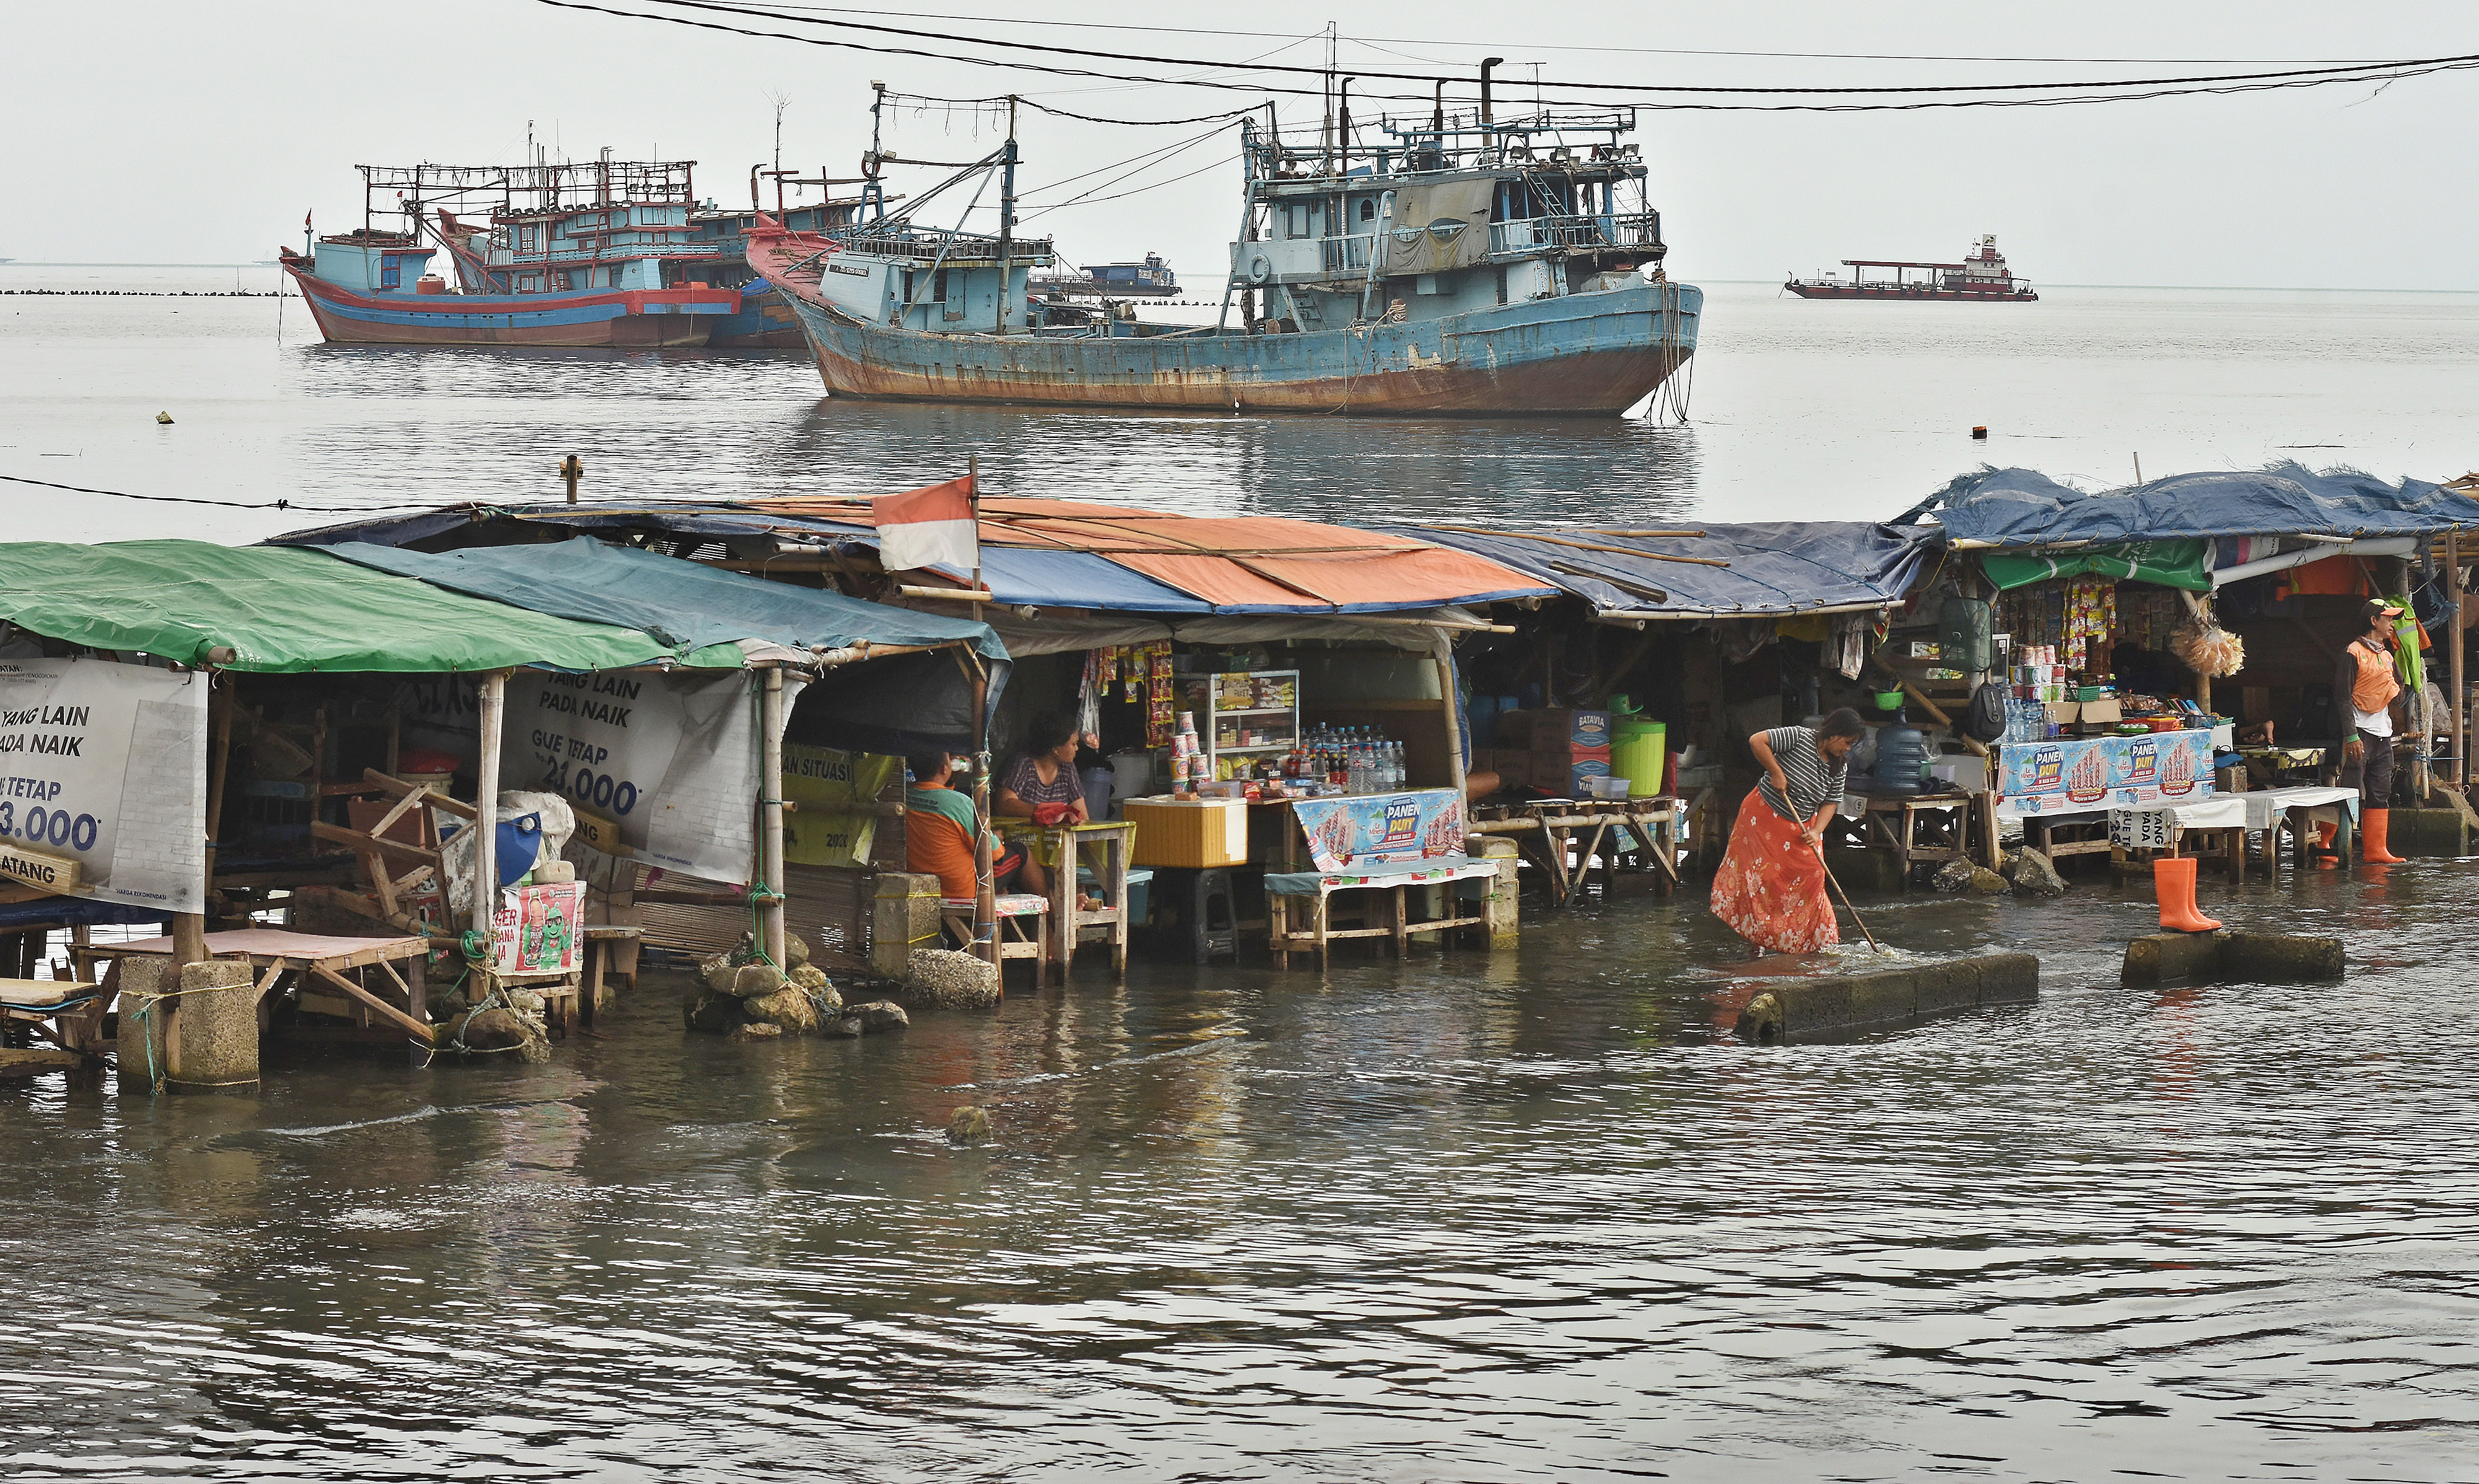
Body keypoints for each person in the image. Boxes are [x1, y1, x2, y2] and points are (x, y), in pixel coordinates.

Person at [1710, 708, 1867, 954]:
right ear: (1835, 733)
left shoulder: (1839, 767)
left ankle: (1813, 943)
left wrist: (1816, 831)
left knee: (1815, 875)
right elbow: (1757, 741)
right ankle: (1759, 938)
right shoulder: (1799, 737)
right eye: (1847, 742)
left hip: (1802, 826)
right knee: (1765, 878)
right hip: (1764, 817)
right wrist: (1776, 772)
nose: (1847, 749)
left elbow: (1831, 802)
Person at [2324, 596, 2411, 866]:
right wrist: (2351, 735)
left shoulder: (2386, 655)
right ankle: (2327, 844)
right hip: (2358, 732)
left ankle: (2376, 850)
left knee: (2380, 790)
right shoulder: (2353, 652)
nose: (2392, 624)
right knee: (2350, 789)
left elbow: (2400, 689)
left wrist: (2393, 687)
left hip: (2383, 732)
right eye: (2388, 619)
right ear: (2374, 621)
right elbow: (2342, 698)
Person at [905, 750, 1046, 901]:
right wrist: (995, 838)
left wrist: (951, 780)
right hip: (961, 889)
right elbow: (995, 852)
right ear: (945, 768)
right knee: (1021, 852)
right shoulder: (959, 803)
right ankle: (1052, 912)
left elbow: (937, 797)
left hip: (924, 886)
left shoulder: (907, 796)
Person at [996, 712, 1090, 825]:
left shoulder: (1067, 768)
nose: (1077, 748)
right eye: (1073, 744)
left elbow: (1083, 816)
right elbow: (1004, 804)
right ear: (1055, 749)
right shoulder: (1024, 763)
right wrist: (1046, 813)